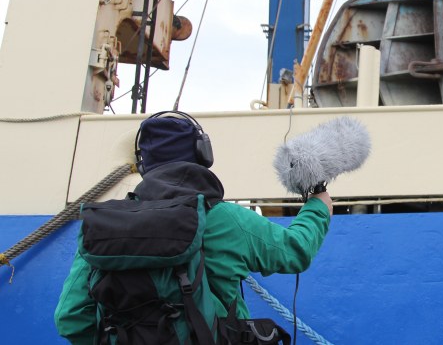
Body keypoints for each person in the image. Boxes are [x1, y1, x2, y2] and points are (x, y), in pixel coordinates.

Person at [54, 112, 332, 344]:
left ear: (143, 164)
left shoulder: (103, 227)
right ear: (202, 154)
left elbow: (70, 317)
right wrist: (319, 207)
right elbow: (296, 250)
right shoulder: (227, 219)